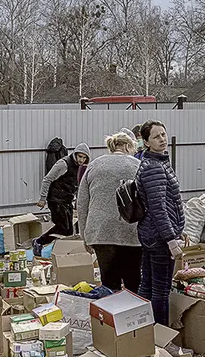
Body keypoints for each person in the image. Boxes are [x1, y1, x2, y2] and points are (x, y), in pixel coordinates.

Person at [77, 131, 142, 293]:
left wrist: (85, 235)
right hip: (130, 233)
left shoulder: (94, 165)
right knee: (133, 282)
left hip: (101, 232)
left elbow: (82, 202)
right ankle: (134, 315)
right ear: (128, 146)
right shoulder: (137, 165)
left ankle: (109, 316)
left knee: (108, 284)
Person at [136, 121, 184, 326]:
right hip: (159, 237)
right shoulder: (153, 167)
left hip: (152, 234)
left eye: (163, 135)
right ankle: (162, 339)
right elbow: (159, 208)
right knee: (161, 289)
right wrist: (171, 240)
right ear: (146, 142)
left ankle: (144, 332)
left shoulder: (158, 162)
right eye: (156, 137)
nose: (162, 139)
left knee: (147, 285)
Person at [34, 142, 90, 250]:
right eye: (80, 156)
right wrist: (42, 198)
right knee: (62, 227)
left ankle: (62, 250)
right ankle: (39, 241)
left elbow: (77, 185)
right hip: (56, 200)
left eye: (84, 158)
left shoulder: (80, 168)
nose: (81, 160)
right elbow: (47, 179)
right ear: (75, 154)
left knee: (68, 231)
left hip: (67, 200)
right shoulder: (63, 164)